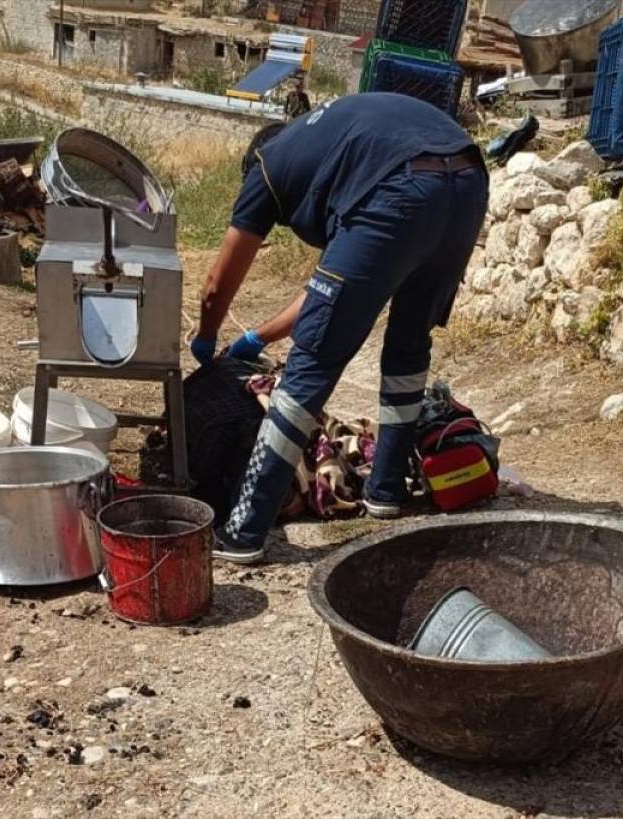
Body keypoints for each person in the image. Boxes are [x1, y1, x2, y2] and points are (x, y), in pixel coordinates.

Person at [191, 92, 489, 564]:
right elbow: (326, 294)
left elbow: (215, 286)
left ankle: (244, 530)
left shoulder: (267, 167)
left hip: (400, 190)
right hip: (468, 184)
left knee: (312, 363)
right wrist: (257, 337)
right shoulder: (337, 142)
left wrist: (205, 341)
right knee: (409, 346)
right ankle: (386, 491)